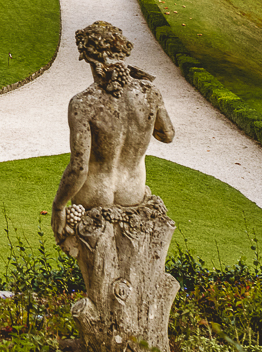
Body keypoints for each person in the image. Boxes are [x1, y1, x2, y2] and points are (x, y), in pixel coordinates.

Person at [51, 20, 175, 242]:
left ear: (88, 58)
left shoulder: (83, 103)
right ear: (122, 52)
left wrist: (59, 207)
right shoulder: (149, 93)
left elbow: (79, 167)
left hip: (93, 197)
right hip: (133, 193)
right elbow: (167, 135)